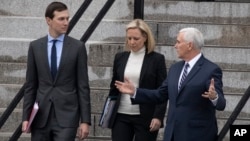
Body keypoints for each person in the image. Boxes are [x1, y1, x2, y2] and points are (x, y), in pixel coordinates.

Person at [115, 27, 226, 141]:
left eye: (178, 42)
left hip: (197, 135)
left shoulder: (211, 70)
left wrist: (214, 97)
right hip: (172, 134)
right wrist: (135, 91)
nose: (175, 46)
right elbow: (160, 94)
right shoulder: (175, 69)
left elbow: (221, 104)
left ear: (189, 45)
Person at [22, 2, 91, 141]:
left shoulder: (77, 47)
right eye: (61, 19)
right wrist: (26, 117)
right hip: (40, 117)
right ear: (48, 20)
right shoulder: (35, 47)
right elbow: (30, 85)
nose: (66, 22)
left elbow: (83, 86)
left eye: (67, 18)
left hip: (67, 117)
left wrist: (85, 121)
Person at [106, 19, 167, 141]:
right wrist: (108, 112)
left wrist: (158, 116)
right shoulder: (120, 57)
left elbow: (162, 91)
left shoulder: (157, 59)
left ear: (145, 37)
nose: (131, 42)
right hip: (121, 115)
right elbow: (114, 87)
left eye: (136, 38)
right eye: (129, 38)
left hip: (146, 116)